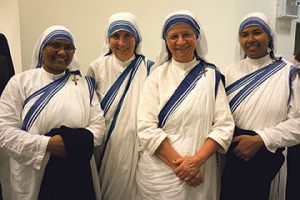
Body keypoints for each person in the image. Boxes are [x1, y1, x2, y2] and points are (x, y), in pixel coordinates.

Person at [136, 10, 234, 200]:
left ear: (197, 37)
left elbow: (223, 125)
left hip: (201, 171)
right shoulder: (156, 76)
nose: (180, 42)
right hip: (159, 175)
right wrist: (183, 168)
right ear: (166, 41)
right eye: (174, 36)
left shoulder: (212, 76)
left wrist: (196, 162)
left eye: (186, 34)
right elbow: (146, 128)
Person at [0, 25, 106, 200]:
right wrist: (48, 145)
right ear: (42, 49)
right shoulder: (20, 83)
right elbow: (5, 132)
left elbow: (98, 127)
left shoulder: (84, 85)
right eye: (55, 45)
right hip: (35, 174)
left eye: (68, 47)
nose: (62, 52)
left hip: (78, 172)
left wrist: (68, 144)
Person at [220, 12, 300, 200]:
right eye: (244, 34)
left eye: (257, 32)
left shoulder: (289, 73)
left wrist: (261, 140)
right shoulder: (229, 72)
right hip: (232, 157)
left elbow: (298, 123)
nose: (250, 39)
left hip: (268, 159)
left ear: (269, 36)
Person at [87, 12, 154, 200]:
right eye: (116, 36)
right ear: (108, 39)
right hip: (104, 147)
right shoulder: (96, 68)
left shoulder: (149, 68)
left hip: (138, 149)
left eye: (128, 36)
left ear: (137, 38)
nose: (122, 42)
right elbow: (89, 110)